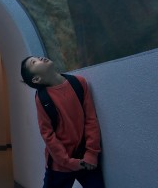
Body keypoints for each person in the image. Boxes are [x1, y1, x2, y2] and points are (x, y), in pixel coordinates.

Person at [20, 56, 106, 188]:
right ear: (36, 79)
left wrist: (91, 153)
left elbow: (91, 119)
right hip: (59, 166)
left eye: (37, 57)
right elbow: (48, 135)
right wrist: (67, 162)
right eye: (34, 62)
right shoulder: (43, 98)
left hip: (86, 160)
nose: (40, 58)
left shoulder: (79, 83)